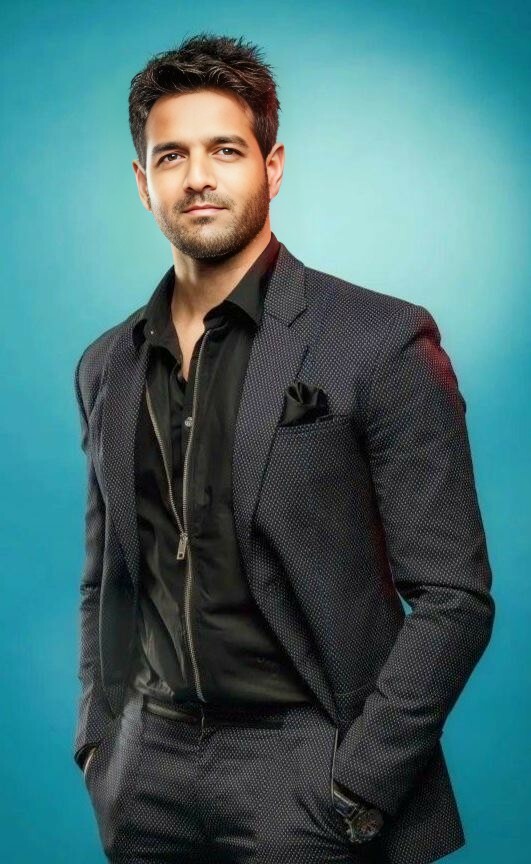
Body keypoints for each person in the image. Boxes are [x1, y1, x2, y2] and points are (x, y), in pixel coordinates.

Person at [72, 32, 495, 864]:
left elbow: (454, 596)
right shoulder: (106, 365)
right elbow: (105, 580)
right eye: (171, 156)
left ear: (271, 167)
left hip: (304, 767)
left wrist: (361, 782)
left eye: (225, 150)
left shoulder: (378, 341)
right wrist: (100, 744)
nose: (197, 176)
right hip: (145, 774)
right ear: (142, 182)